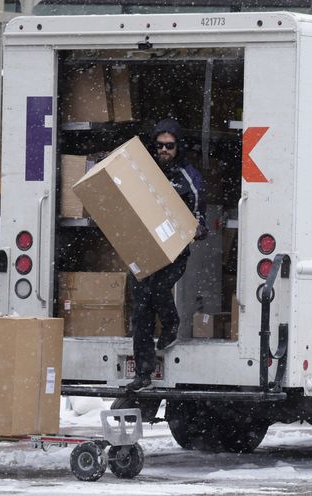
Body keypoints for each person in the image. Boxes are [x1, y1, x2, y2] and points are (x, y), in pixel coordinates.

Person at [126, 118, 208, 392]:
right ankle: (143, 373)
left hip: (174, 252)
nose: (163, 150)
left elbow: (199, 219)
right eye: (159, 145)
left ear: (178, 146)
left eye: (169, 146)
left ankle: (171, 323)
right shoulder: (145, 172)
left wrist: (198, 228)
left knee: (159, 289)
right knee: (140, 309)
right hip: (144, 248)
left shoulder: (189, 177)